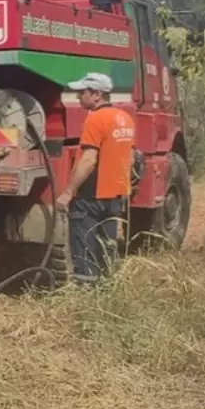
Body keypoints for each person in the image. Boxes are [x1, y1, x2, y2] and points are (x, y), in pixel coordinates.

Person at [54, 72, 135, 285]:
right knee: (107, 249)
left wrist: (68, 192)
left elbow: (89, 159)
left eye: (83, 92)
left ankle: (86, 299)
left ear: (97, 94)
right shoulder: (124, 119)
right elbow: (131, 157)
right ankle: (107, 293)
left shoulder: (95, 119)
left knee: (84, 250)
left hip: (90, 197)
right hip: (114, 197)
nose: (78, 97)